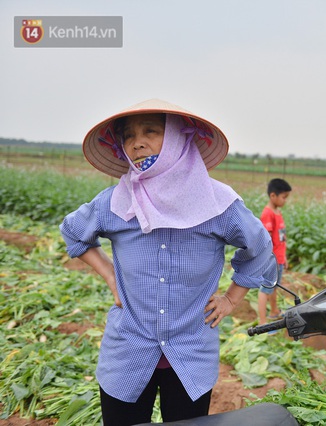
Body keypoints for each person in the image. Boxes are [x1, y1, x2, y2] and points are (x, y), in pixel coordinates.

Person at [59, 99, 277, 426]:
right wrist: (109, 276)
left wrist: (232, 298)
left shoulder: (218, 206)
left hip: (190, 358)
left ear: (178, 139)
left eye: (152, 131)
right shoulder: (114, 203)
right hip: (126, 356)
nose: (138, 142)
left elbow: (259, 246)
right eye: (129, 136)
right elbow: (73, 232)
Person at [258, 178, 292, 326]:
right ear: (273, 196)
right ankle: (263, 322)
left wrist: (284, 257)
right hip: (271, 260)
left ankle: (274, 311)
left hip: (279, 259)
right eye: (283, 197)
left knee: (275, 286)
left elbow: (281, 238)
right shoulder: (268, 214)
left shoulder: (277, 212)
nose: (285, 201)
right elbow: (265, 240)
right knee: (265, 288)